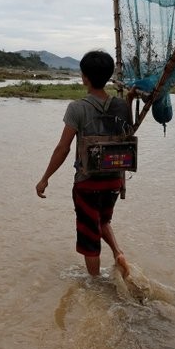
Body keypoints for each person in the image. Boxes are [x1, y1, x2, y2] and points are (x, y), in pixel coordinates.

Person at [36, 50, 132, 278]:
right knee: (103, 219)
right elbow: (126, 136)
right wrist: (129, 100)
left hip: (87, 184)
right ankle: (118, 252)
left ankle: (95, 285)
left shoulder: (77, 108)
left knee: (90, 238)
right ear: (108, 76)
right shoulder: (122, 106)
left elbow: (63, 148)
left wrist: (45, 178)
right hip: (113, 181)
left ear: (85, 77)